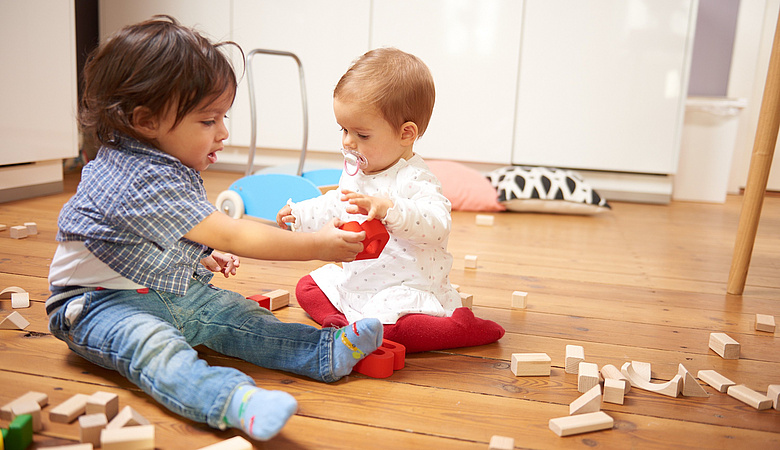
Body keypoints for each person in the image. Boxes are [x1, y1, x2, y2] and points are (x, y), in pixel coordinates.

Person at [46, 16, 384, 442]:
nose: (224, 133)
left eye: (223, 117)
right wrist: (318, 244)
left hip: (161, 290)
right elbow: (233, 232)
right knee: (154, 349)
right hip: (96, 305)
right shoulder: (135, 175)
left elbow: (151, 232)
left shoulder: (156, 162)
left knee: (237, 315)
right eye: (208, 121)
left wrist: (199, 252)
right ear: (146, 121)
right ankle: (230, 401)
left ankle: (322, 352)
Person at [277, 48, 505, 353]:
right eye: (343, 129)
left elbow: (438, 224)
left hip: (403, 288)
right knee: (308, 287)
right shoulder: (360, 171)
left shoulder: (416, 179)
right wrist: (301, 215)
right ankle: (346, 323)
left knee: (396, 328)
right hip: (358, 282)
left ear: (406, 133)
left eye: (361, 134)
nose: (347, 141)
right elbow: (337, 203)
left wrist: (391, 210)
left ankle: (457, 329)